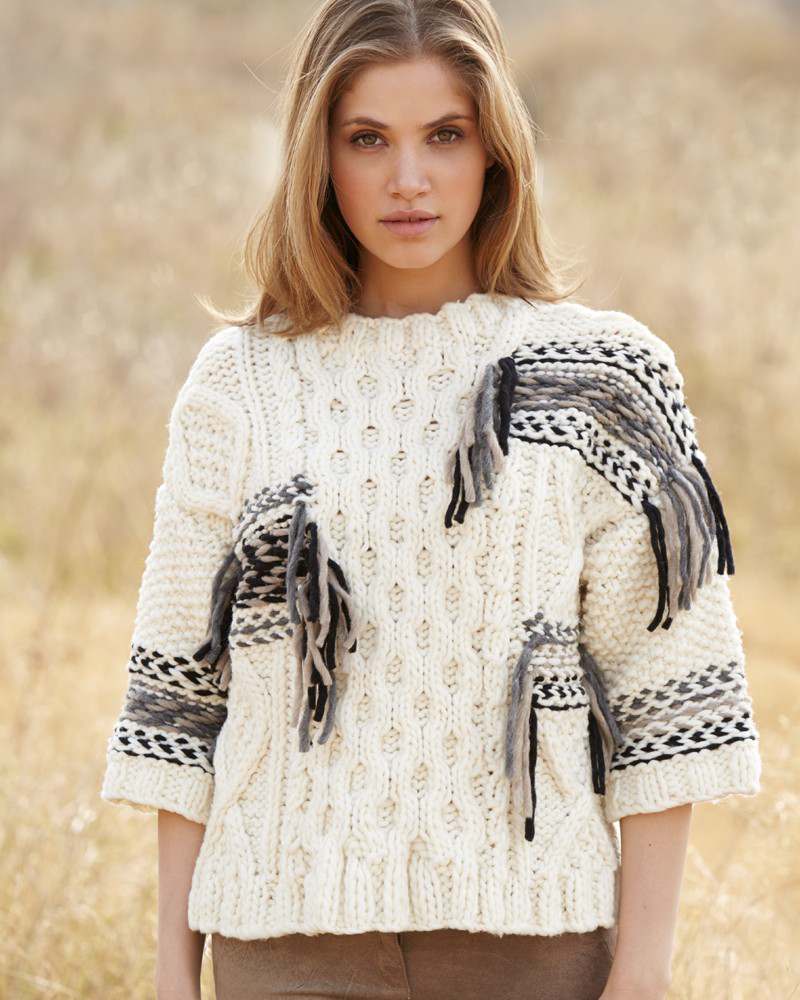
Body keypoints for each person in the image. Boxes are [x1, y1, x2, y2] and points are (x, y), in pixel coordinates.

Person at [99, 0, 762, 998]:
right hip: (281, 952)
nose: (407, 178)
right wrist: (168, 973)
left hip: (531, 950)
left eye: (443, 136)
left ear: (495, 151)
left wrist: (642, 974)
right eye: (367, 139)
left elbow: (665, 694)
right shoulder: (238, 385)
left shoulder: (603, 373)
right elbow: (182, 704)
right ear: (318, 156)